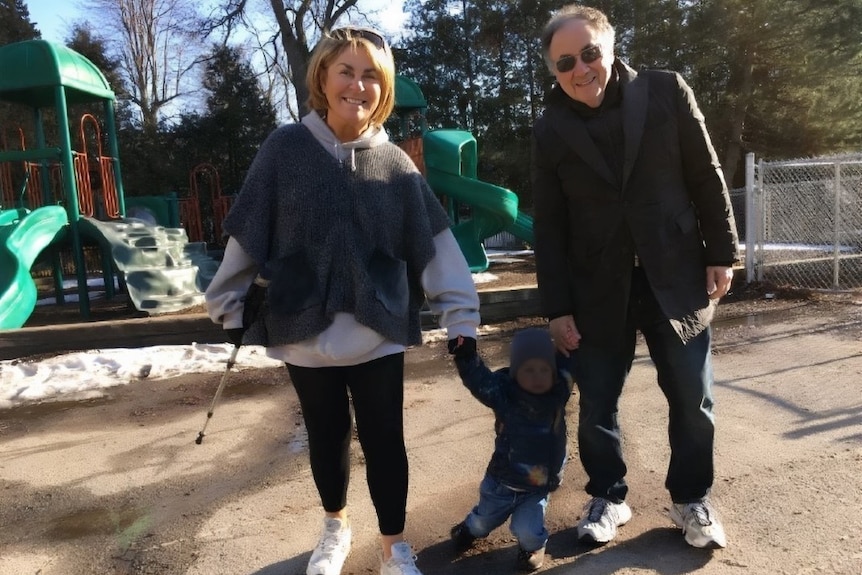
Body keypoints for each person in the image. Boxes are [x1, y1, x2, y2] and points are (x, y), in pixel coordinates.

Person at [205, 26, 481, 575]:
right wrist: (228, 305)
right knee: (326, 438)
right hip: (304, 331)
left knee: (386, 442)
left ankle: (392, 546)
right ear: (322, 79)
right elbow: (250, 230)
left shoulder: (399, 165)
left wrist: (461, 316)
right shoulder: (284, 148)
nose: (359, 84)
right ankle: (335, 526)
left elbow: (435, 244)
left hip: (377, 331)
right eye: (347, 71)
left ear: (385, 87)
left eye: (372, 75)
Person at [531, 5, 740, 550]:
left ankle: (690, 498)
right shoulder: (550, 126)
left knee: (693, 397)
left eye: (590, 53)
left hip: (675, 275)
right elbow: (549, 224)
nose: (581, 69)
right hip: (597, 287)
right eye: (565, 62)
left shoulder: (667, 91)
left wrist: (722, 251)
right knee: (598, 403)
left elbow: (706, 173)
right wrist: (556, 308)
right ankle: (608, 495)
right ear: (554, 71)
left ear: (610, 45)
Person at [447, 329, 575, 572]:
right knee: (483, 521)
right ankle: (469, 529)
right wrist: (466, 356)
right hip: (501, 484)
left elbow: (570, 363)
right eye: (528, 370)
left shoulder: (557, 394)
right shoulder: (505, 395)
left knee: (529, 530)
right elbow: (480, 381)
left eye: (543, 370)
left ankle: (532, 548)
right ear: (516, 372)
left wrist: (571, 341)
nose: (537, 376)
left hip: (536, 488)